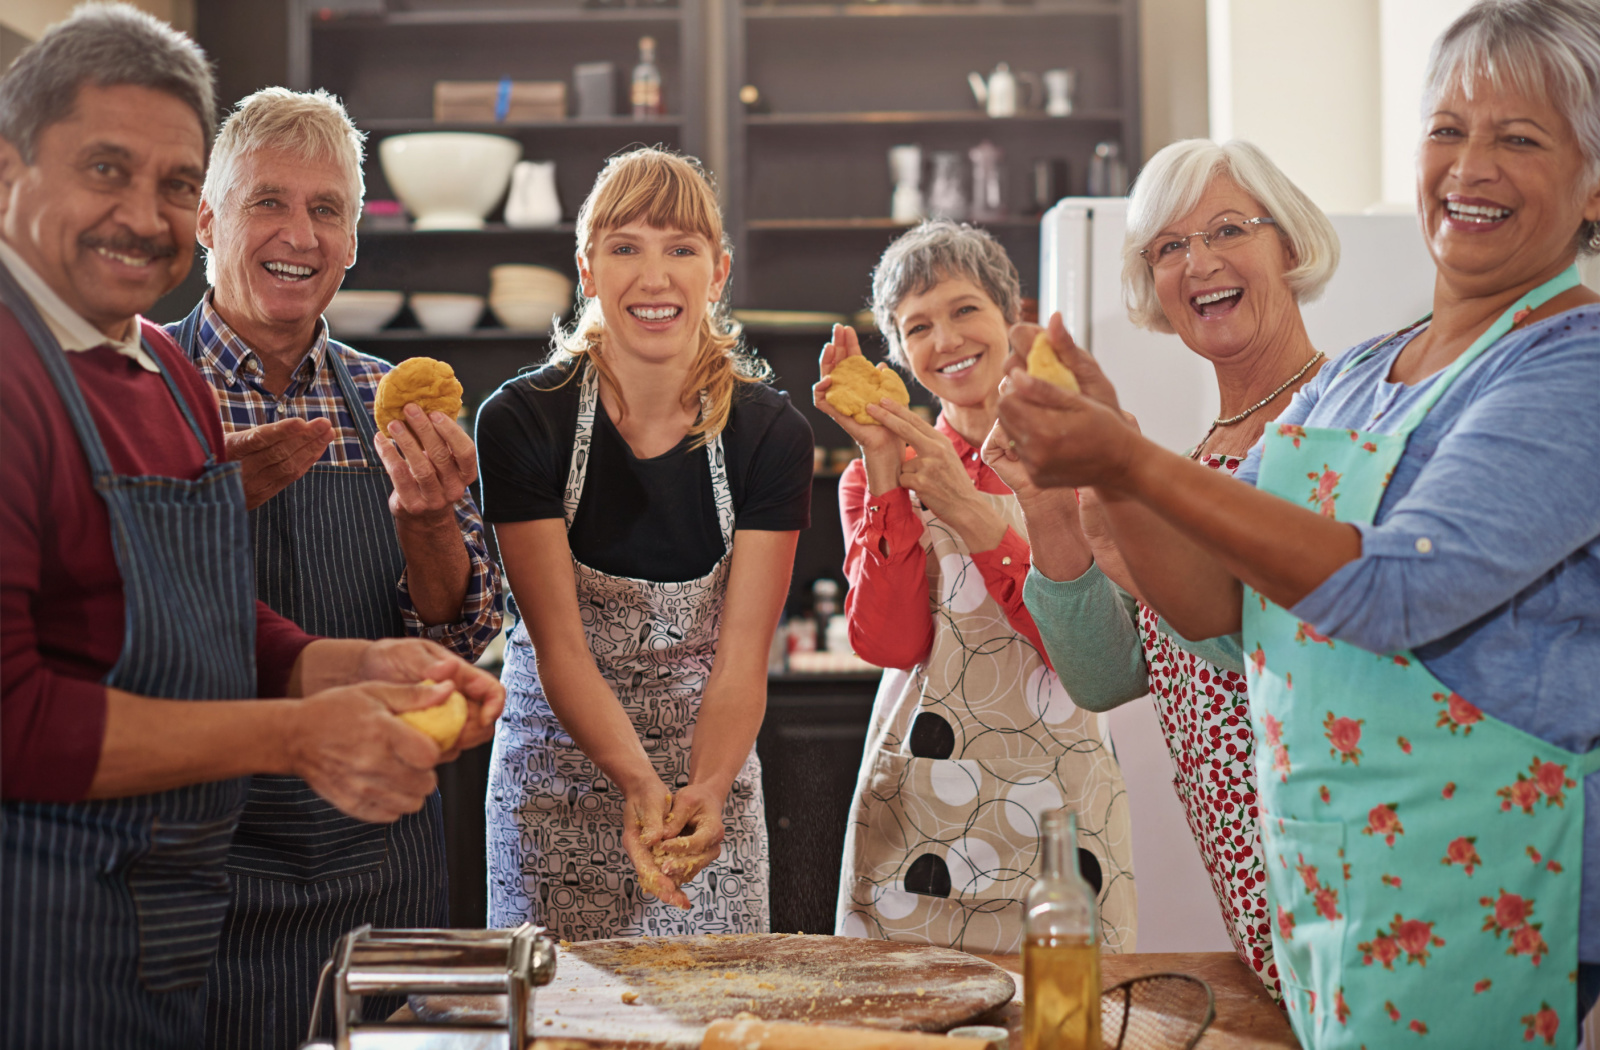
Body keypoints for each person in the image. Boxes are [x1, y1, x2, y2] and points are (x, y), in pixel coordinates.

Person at [996, 0, 1600, 1045]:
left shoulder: (1571, 366)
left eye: (1519, 137)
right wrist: (1113, 466)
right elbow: (1216, 613)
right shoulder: (1361, 379)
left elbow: (1392, 589)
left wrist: (1127, 459)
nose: (1470, 167)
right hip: (1330, 881)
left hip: (1487, 883)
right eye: (1447, 130)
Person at [0, 7, 503, 1049]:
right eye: (106, 169)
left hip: (195, 906)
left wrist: (351, 662)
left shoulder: (158, 372)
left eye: (171, 182)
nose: (141, 215)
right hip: (60, 914)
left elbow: (214, 616)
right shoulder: (18, 378)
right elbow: (16, 714)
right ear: (14, 171)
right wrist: (298, 732)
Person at [162, 87, 503, 1050]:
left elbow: (458, 635)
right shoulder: (144, 393)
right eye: (269, 201)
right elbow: (98, 616)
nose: (299, 234)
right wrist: (204, 505)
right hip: (202, 863)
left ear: (354, 240)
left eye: (328, 210)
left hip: (381, 861)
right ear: (206, 221)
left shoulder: (391, 402)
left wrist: (425, 519)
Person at [1015, 140, 1340, 998]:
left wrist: (1125, 513)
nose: (1199, 262)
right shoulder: (1196, 460)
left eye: (1227, 229)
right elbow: (1106, 675)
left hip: (1342, 857)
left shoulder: (1337, 422)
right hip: (1251, 888)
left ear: (1291, 246)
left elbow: (1318, 646)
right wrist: (1049, 507)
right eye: (1168, 247)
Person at [477, 148, 812, 939]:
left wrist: (708, 787)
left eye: (682, 249)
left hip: (708, 785)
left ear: (719, 270)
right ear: (587, 269)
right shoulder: (524, 422)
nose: (654, 277)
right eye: (625, 247)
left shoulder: (770, 435)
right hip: (551, 783)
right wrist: (636, 782)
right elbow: (560, 649)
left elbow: (740, 659)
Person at [815, 220, 1136, 955]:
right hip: (921, 809)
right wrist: (890, 472)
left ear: (1011, 316)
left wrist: (969, 512)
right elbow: (888, 643)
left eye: (964, 309)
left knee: (1070, 1022)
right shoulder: (873, 474)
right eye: (917, 326)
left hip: (1063, 810)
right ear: (900, 356)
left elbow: (1086, 653)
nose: (947, 339)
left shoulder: (1081, 454)